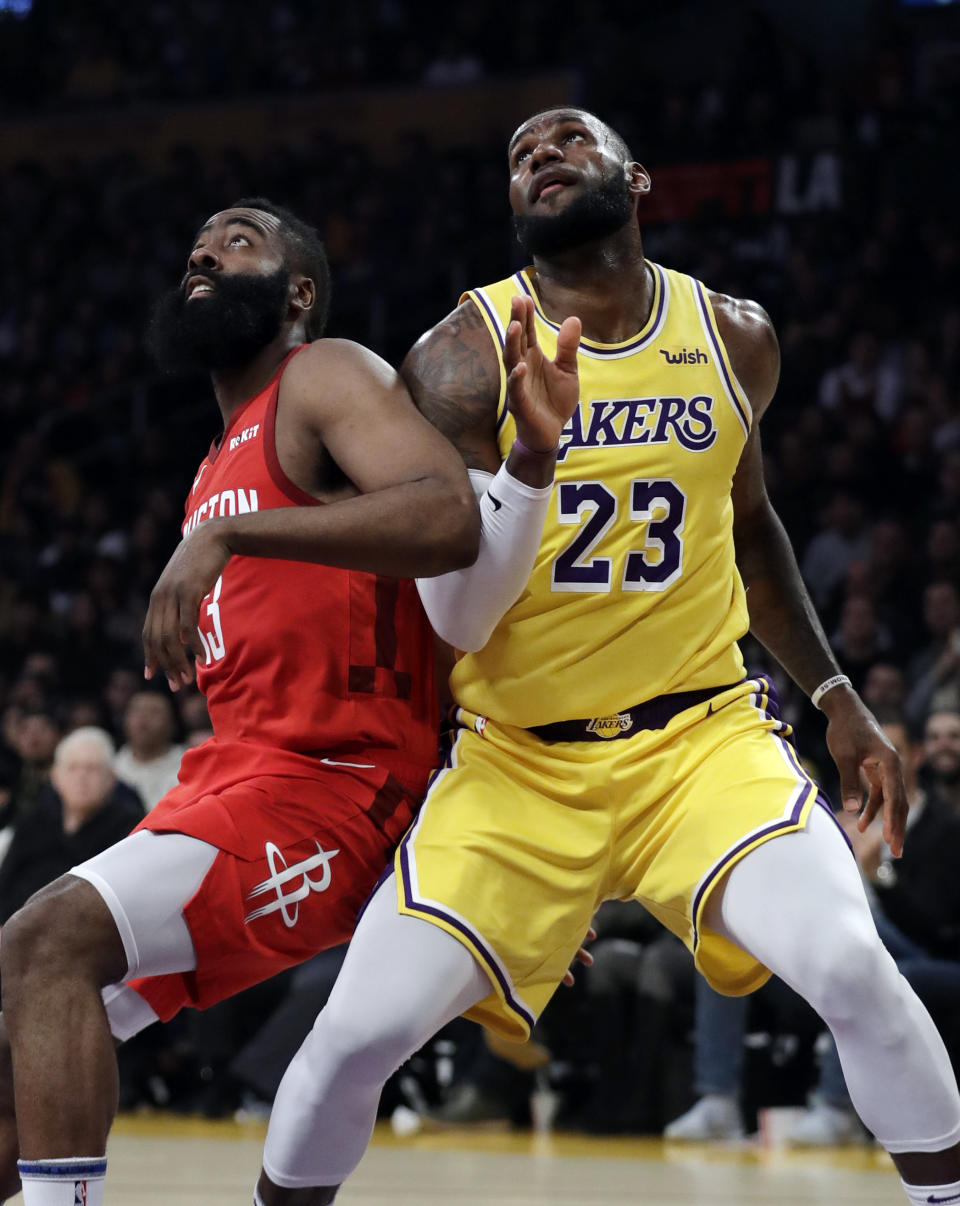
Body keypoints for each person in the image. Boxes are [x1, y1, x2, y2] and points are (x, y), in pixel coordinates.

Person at [235, 110, 960, 1206]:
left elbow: (751, 523)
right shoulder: (463, 358)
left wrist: (835, 691)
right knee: (351, 1039)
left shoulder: (734, 334)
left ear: (638, 179)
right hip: (518, 766)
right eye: (521, 155)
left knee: (855, 967)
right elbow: (453, 617)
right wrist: (531, 453)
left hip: (702, 743)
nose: (541, 156)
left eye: (569, 139)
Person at [0, 198, 479, 1206]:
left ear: (297, 291)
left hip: (341, 789)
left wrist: (231, 537)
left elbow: (448, 513)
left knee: (45, 940)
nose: (203, 255)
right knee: (15, 1054)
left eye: (237, 242)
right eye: (195, 249)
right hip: (234, 781)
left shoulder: (326, 374)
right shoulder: (215, 464)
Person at [0, 726, 144, 929]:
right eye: (72, 768)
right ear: (55, 777)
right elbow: (5, 884)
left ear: (111, 778)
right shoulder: (32, 823)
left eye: (92, 768)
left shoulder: (132, 829)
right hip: (15, 937)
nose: (81, 777)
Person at [112, 689, 186, 811]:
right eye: (136, 711)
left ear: (173, 724)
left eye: (154, 712)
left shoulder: (187, 766)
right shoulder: (112, 767)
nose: (143, 718)